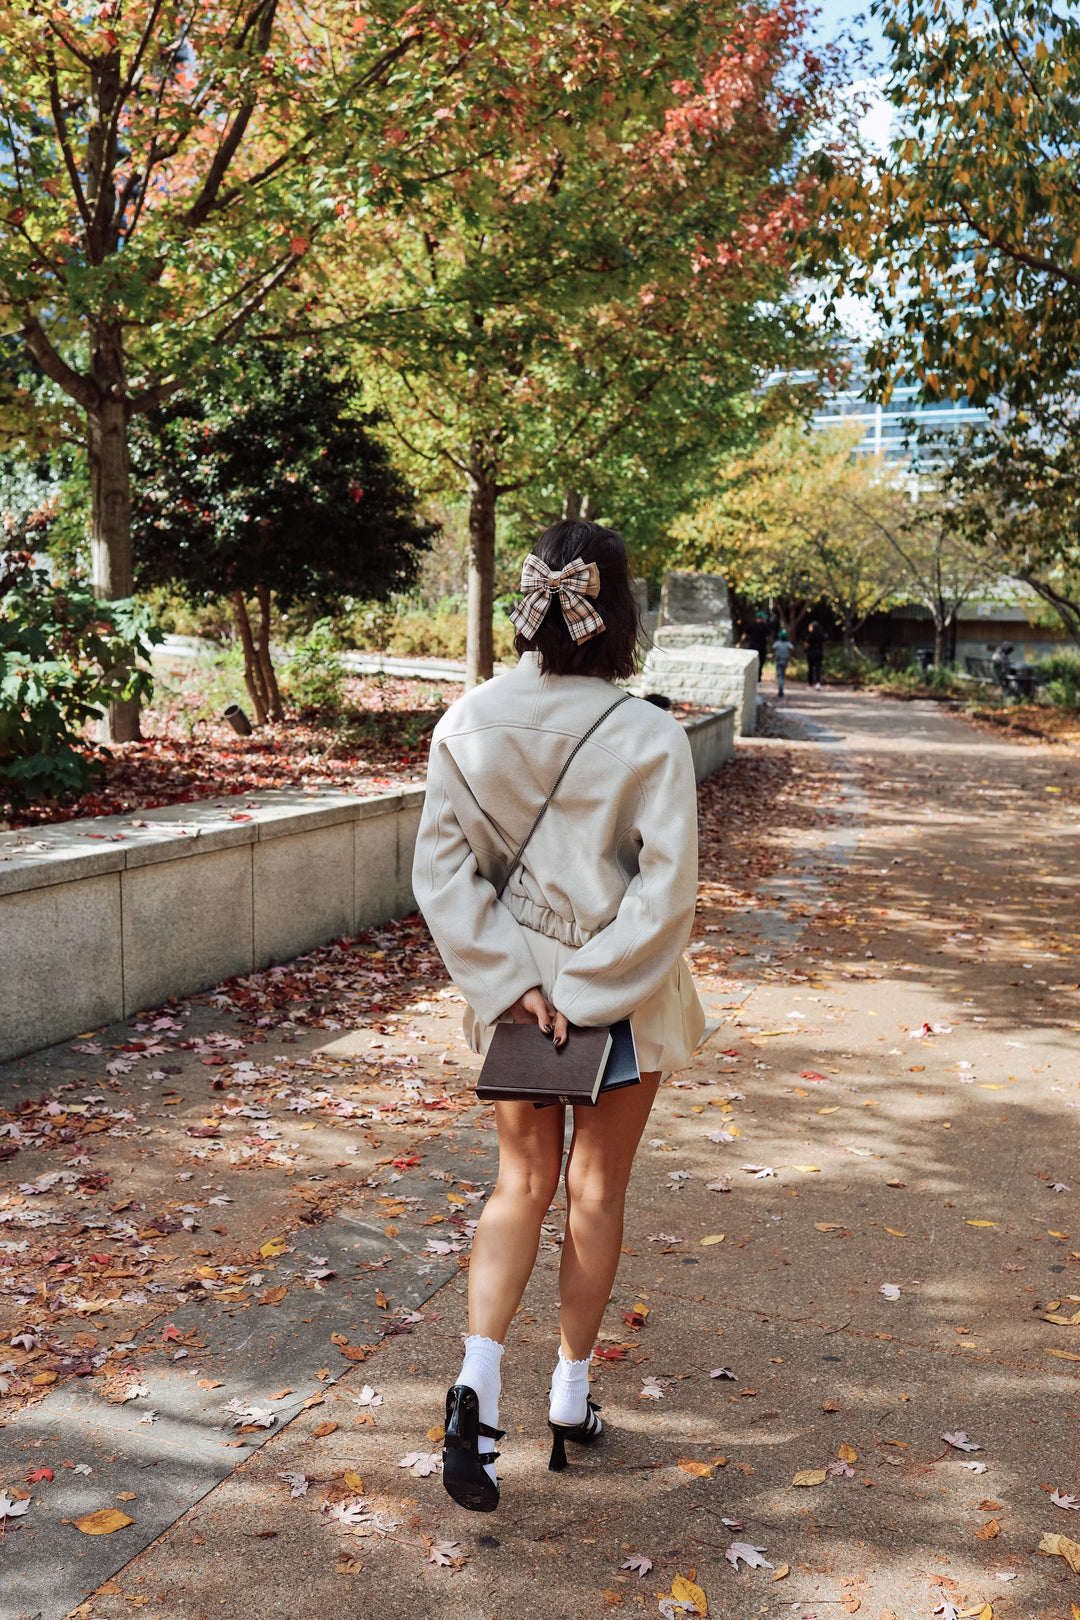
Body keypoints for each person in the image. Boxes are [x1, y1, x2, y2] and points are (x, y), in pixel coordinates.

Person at [412, 520, 704, 1513]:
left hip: (513, 1000)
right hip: (621, 997)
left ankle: (476, 1387)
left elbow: (442, 874)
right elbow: (664, 894)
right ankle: (569, 1399)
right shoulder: (650, 735)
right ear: (618, 611)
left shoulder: (466, 723)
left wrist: (513, 986)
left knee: (519, 1184)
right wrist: (584, 996)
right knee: (595, 1193)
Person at [805, 620, 825, 688]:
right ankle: (818, 683)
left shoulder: (809, 636)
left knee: (810, 669)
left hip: (811, 654)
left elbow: (807, 645)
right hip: (819, 653)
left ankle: (810, 684)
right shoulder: (821, 635)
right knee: (818, 669)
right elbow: (823, 645)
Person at [773, 628, 792, 697]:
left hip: (778, 660)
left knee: (779, 676)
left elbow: (773, 648)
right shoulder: (788, 643)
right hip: (785, 660)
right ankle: (781, 689)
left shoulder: (777, 643)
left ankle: (780, 690)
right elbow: (792, 648)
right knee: (782, 675)